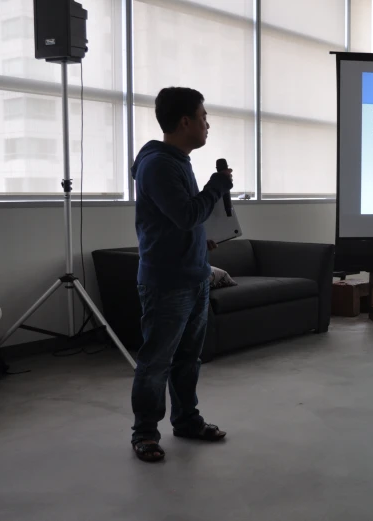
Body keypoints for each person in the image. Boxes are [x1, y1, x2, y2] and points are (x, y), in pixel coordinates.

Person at [129, 87, 233, 462]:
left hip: (194, 274)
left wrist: (200, 241)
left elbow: (179, 219)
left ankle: (186, 420)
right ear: (185, 121)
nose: (208, 124)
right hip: (166, 283)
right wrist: (216, 187)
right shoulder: (158, 164)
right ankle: (144, 433)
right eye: (204, 116)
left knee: (189, 359)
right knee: (156, 361)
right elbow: (186, 214)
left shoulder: (177, 160)